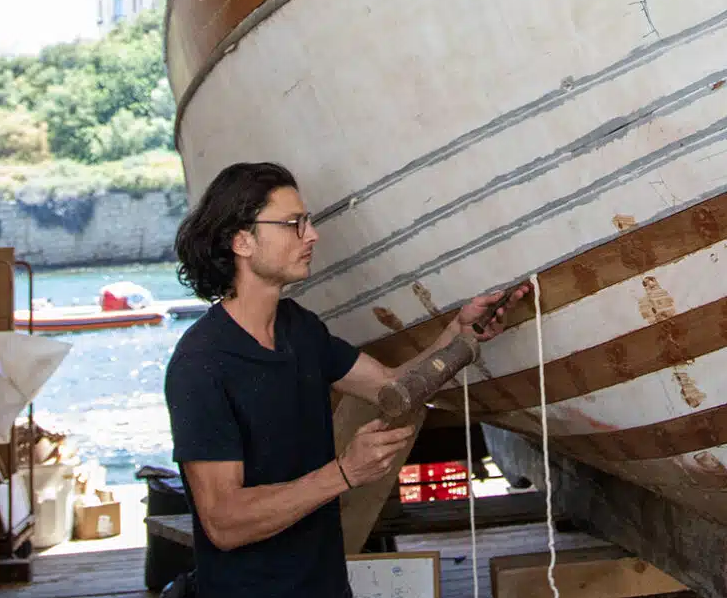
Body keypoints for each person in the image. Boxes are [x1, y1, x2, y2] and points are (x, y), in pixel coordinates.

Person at [164, 161, 525, 597]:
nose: (312, 235)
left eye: (309, 222)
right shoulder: (200, 364)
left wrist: (458, 336)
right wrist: (345, 472)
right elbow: (223, 522)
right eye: (294, 224)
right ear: (242, 241)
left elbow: (391, 386)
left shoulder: (300, 329)